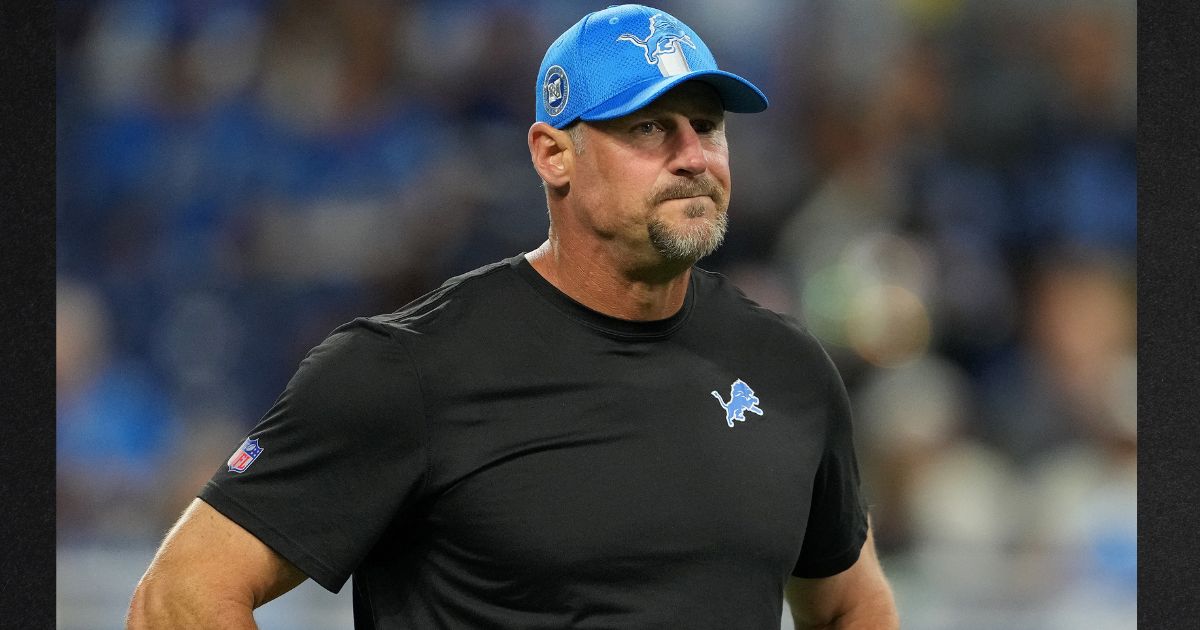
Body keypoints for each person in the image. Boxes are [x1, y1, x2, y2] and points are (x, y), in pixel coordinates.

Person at [127, 5, 898, 629]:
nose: (694, 155)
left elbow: (852, 605)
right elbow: (180, 598)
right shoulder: (410, 371)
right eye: (649, 128)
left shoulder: (787, 370)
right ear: (552, 154)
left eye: (708, 125)